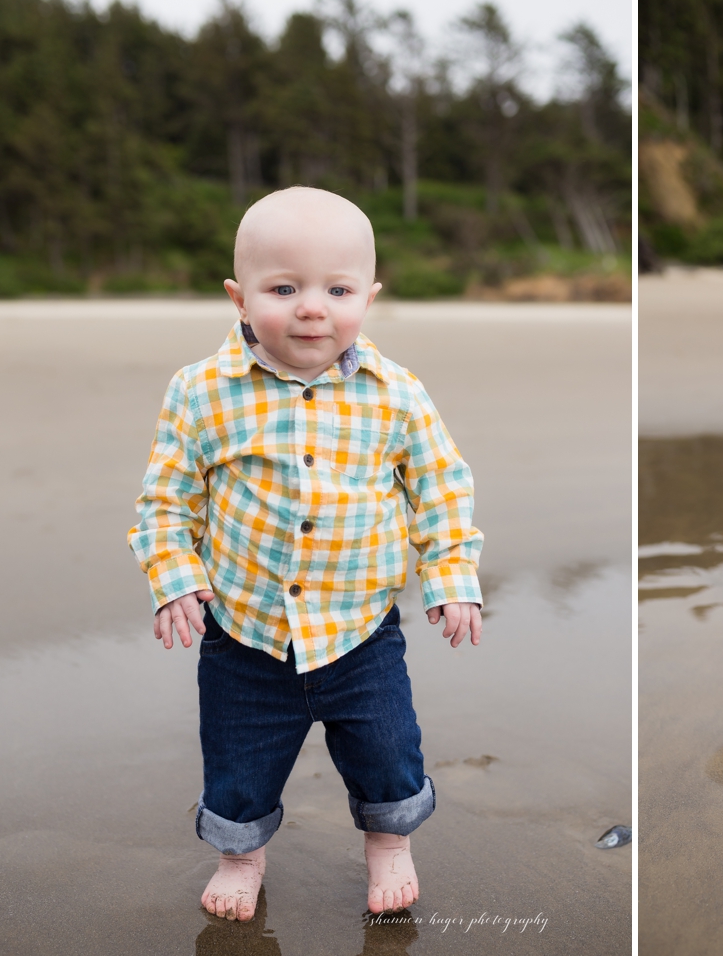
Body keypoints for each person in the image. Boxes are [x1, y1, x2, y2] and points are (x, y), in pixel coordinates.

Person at [129, 186, 484, 921]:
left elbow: (441, 486)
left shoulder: (397, 394)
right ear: (239, 296)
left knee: (387, 750)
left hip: (362, 628)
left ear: (369, 296)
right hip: (245, 631)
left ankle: (388, 843)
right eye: (284, 288)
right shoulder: (201, 393)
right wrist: (174, 578)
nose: (312, 307)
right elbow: (166, 501)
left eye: (338, 289)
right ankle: (241, 855)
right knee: (238, 761)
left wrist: (451, 576)